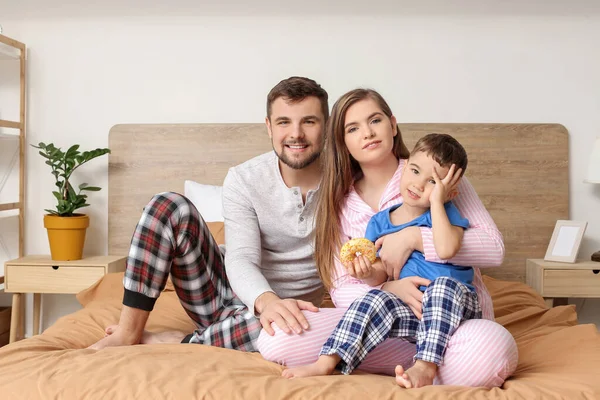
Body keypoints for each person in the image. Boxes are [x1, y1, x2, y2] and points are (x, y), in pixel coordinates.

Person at [256, 89, 518, 388]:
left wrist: (413, 238)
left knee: (490, 351)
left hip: (456, 320)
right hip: (391, 319)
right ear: (342, 142)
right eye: (352, 128)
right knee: (277, 337)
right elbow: (342, 287)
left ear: (393, 125)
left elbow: (494, 250)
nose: (367, 133)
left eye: (375, 120)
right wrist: (389, 286)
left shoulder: (437, 175)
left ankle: (424, 361)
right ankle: (405, 362)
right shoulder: (338, 201)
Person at [88, 76, 330, 351]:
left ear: (326, 126)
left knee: (291, 326)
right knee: (168, 205)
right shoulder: (244, 179)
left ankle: (184, 341)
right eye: (284, 122)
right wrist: (267, 301)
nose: (296, 134)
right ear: (269, 127)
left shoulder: (346, 183)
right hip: (220, 292)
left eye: (309, 121)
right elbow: (241, 259)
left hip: (286, 315)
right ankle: (128, 332)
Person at [282, 133, 483, 388]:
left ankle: (424, 367)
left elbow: (445, 249)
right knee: (374, 298)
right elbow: (380, 274)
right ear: (404, 167)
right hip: (411, 310)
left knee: (442, 286)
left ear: (450, 192)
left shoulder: (445, 214)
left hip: (454, 306)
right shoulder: (380, 222)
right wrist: (366, 273)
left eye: (432, 181)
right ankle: (328, 360)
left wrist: (437, 203)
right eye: (415, 170)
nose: (418, 184)